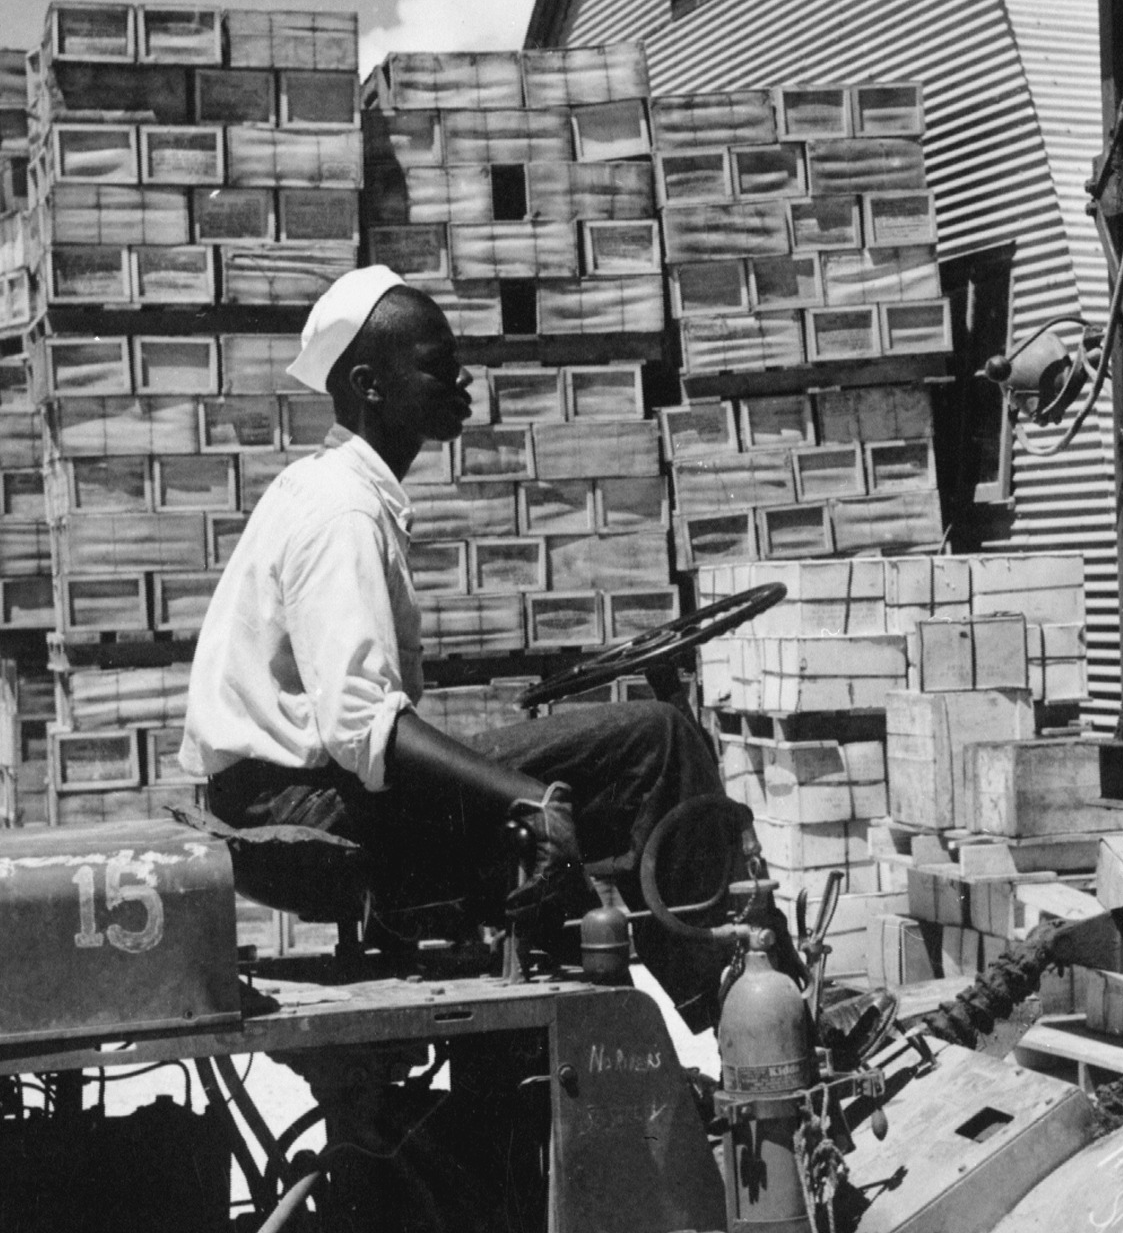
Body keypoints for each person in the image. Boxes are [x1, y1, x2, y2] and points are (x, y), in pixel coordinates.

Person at [181, 266, 755, 1010]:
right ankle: (737, 1000)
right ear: (368, 383)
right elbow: (361, 726)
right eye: (436, 366)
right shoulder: (342, 514)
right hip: (301, 818)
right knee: (658, 740)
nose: (461, 381)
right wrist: (524, 793)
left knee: (595, 770)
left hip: (282, 805)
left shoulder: (334, 490)